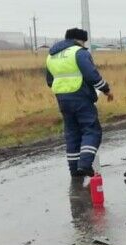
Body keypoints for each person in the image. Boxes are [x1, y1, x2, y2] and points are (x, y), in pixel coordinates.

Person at [45, 28, 113, 178]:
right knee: (91, 130)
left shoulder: (52, 56)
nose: (84, 45)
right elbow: (92, 75)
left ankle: (74, 170)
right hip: (81, 97)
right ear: (80, 40)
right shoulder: (79, 52)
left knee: (72, 133)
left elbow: (50, 81)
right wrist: (106, 89)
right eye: (84, 42)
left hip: (62, 98)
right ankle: (85, 164)